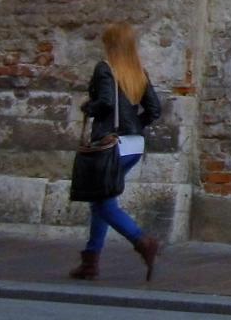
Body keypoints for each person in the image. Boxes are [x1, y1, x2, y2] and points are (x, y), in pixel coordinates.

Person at [69, 23, 163, 282]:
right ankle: (90, 261)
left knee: (103, 202)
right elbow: (154, 110)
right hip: (134, 145)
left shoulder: (105, 68)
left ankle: (142, 241)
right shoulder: (138, 71)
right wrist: (134, 127)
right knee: (101, 199)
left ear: (111, 44)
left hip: (111, 145)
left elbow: (106, 102)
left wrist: (88, 107)